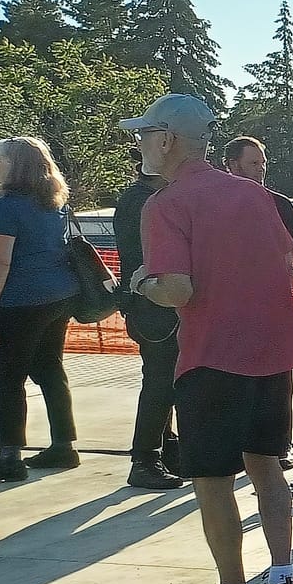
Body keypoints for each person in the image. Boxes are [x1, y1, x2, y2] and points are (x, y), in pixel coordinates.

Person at [121, 93, 293, 584]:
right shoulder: (255, 194)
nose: (140, 144)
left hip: (212, 357)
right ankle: (283, 578)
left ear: (166, 140)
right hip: (271, 351)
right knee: (267, 465)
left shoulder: (164, 205)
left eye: (144, 134)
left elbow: (178, 289)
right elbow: (285, 261)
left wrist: (142, 283)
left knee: (212, 479)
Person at [0, 137, 80, 485]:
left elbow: (0, 261)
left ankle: (9, 458)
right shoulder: (54, 202)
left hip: (20, 301)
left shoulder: (7, 207)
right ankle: (63, 445)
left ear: (15, 166)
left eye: (1, 160)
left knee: (6, 377)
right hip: (59, 295)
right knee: (50, 368)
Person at [114, 145, 184, 489]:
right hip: (153, 307)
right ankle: (145, 458)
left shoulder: (141, 199)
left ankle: (166, 449)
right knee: (160, 382)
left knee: (165, 381)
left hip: (152, 303)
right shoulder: (145, 202)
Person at [222, 136, 293, 268]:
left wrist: (265, 256)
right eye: (254, 163)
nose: (261, 168)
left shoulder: (280, 203)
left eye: (263, 163)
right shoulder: (215, 203)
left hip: (267, 278)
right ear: (233, 164)